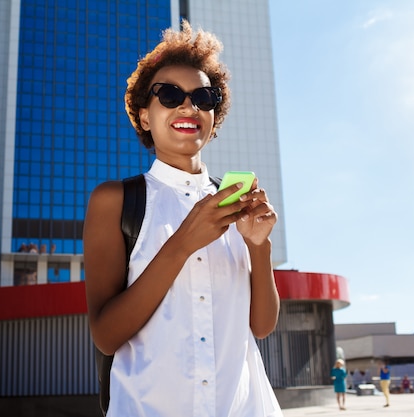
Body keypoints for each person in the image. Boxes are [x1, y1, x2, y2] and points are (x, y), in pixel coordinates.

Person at [84, 21, 282, 417]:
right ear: (143, 116)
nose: (188, 107)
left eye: (203, 97)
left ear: (214, 116)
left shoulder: (235, 200)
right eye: (170, 95)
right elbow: (106, 336)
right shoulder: (116, 200)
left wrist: (259, 247)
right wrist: (183, 242)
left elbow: (261, 327)